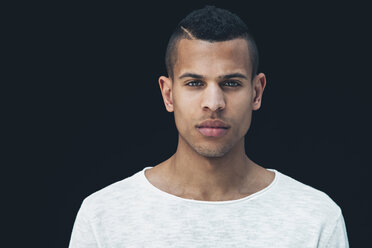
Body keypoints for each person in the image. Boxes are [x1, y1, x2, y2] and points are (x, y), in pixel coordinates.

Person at [69, 6, 349, 247]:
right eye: (194, 83)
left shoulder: (316, 219)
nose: (213, 103)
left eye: (231, 83)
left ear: (256, 92)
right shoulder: (103, 216)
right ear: (168, 94)